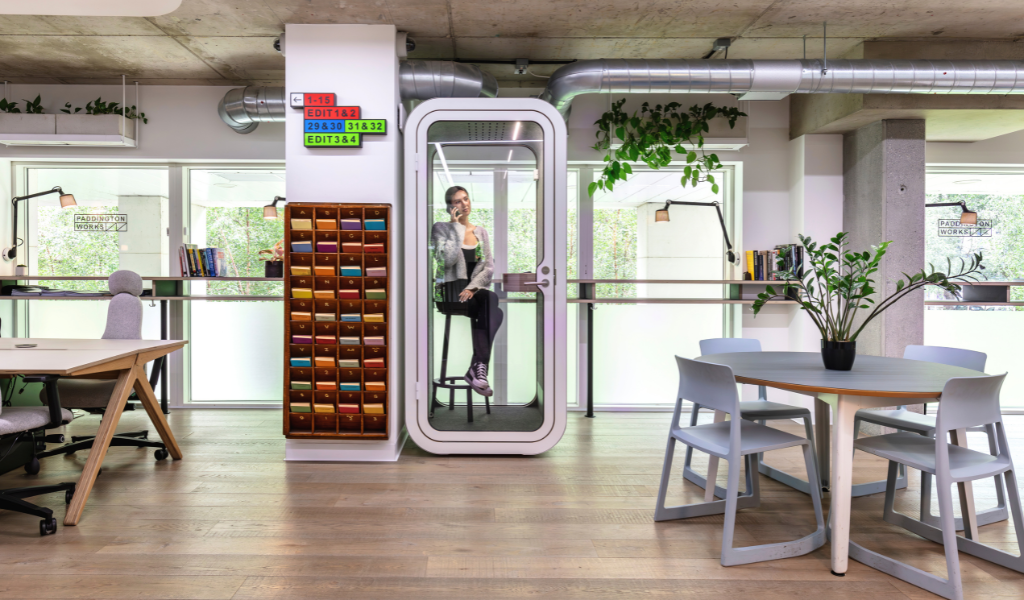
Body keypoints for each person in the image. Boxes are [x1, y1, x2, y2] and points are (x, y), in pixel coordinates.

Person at [431, 185, 504, 397]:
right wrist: (455, 228)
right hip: (449, 293)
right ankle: (478, 369)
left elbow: (489, 266)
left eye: (466, 199)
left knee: (491, 304)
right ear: (449, 207)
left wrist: (472, 287)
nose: (464, 204)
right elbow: (446, 261)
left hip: (473, 294)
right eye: (457, 201)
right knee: (492, 305)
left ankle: (477, 369)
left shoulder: (481, 232)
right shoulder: (440, 228)